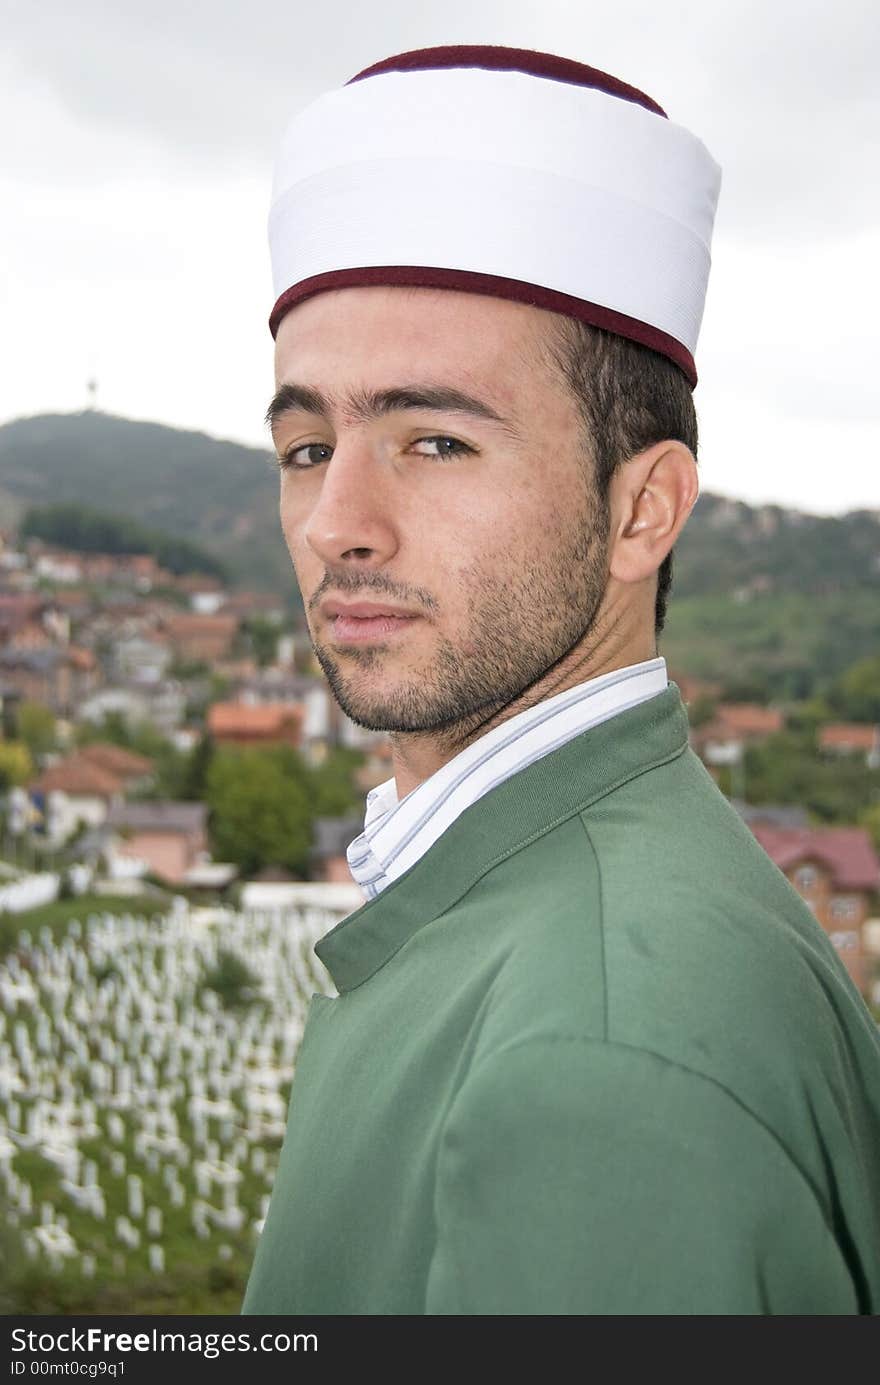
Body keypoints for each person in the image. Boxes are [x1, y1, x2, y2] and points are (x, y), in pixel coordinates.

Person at [241, 45, 880, 1315]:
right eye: (309, 444)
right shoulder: (568, 903)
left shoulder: (596, 1058)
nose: (334, 522)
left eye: (434, 439)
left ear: (644, 508)